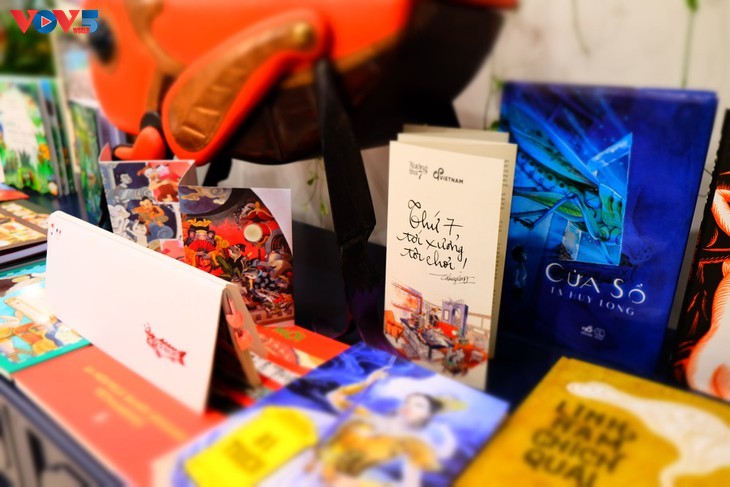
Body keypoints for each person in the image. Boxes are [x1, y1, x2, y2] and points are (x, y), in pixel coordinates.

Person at [308, 368, 459, 486]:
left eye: (419, 405)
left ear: (427, 415)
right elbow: (335, 397)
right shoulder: (368, 417)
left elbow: (411, 482)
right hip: (307, 466)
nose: (410, 406)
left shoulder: (413, 443)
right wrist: (366, 384)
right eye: (408, 402)